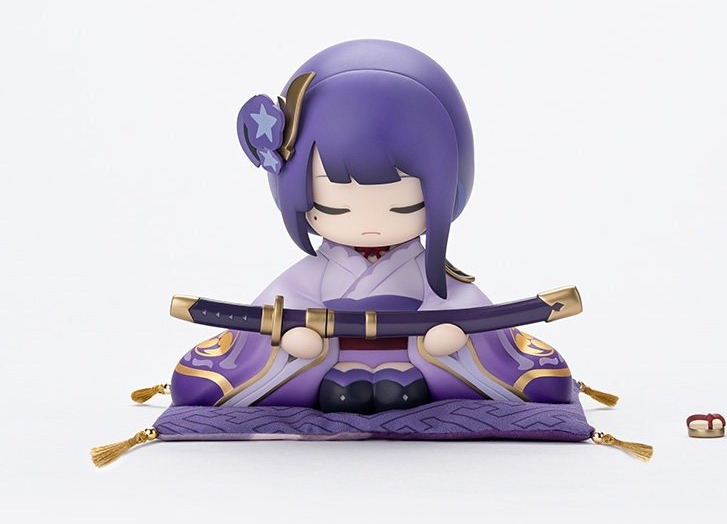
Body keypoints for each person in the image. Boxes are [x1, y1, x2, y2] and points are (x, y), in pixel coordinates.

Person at [171, 39, 573, 411]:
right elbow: (286, 300)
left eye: (403, 206)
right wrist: (293, 336)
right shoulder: (318, 272)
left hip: (412, 352)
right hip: (334, 350)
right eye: (336, 208)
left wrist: (447, 335)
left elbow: (464, 305)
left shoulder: (427, 270)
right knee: (339, 387)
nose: (368, 223)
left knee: (404, 388)